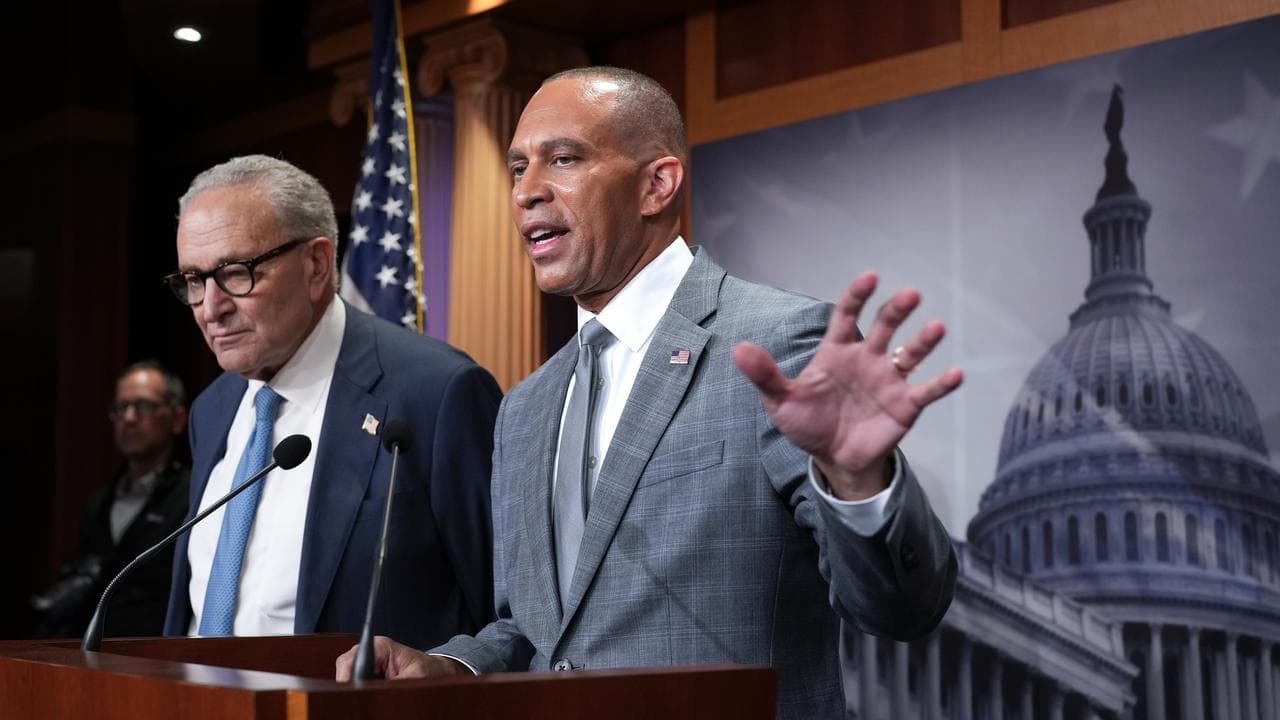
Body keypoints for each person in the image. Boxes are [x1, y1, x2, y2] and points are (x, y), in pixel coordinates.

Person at [336, 67, 962, 718]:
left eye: (563, 159)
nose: (526, 191)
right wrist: (453, 665)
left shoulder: (776, 343)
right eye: (518, 168)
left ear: (657, 185)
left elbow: (902, 610)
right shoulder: (524, 406)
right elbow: (537, 632)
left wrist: (857, 481)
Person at [161, 155, 501, 649]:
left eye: (236, 273)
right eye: (194, 281)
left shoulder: (436, 393)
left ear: (316, 265)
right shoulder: (213, 408)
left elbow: (506, 614)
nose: (211, 309)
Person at [31, 361, 190, 638]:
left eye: (143, 406)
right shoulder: (99, 503)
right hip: (94, 649)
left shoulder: (193, 493)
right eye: (120, 407)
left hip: (160, 651)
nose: (129, 418)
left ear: (177, 418)